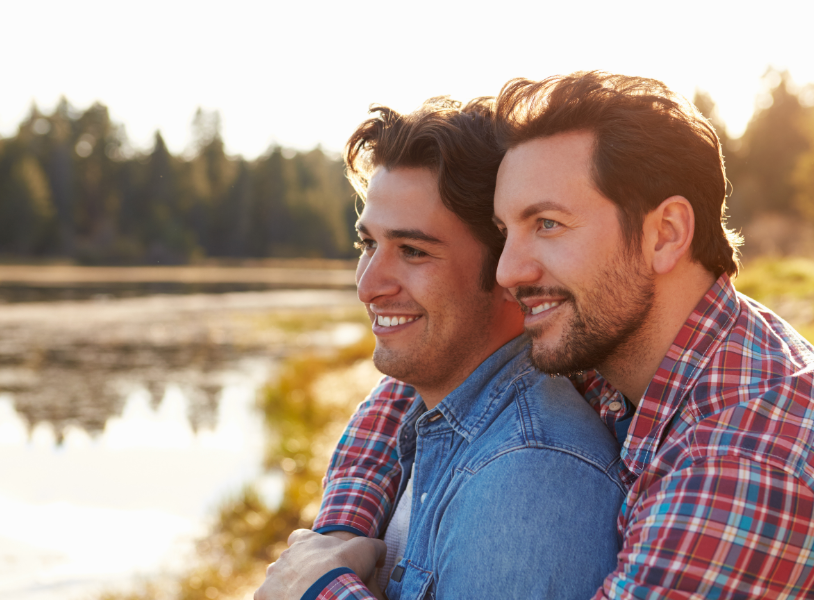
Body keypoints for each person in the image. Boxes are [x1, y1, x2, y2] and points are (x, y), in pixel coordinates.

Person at [272, 72, 814, 599]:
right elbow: (427, 389)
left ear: (665, 233)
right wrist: (336, 539)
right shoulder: (640, 344)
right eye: (506, 229)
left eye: (547, 224)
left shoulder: (743, 466)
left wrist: (317, 588)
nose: (508, 270)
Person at [254, 96, 626, 600]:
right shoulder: (429, 408)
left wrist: (315, 591)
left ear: (506, 270)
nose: (368, 286)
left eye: (412, 251)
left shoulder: (528, 480)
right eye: (368, 245)